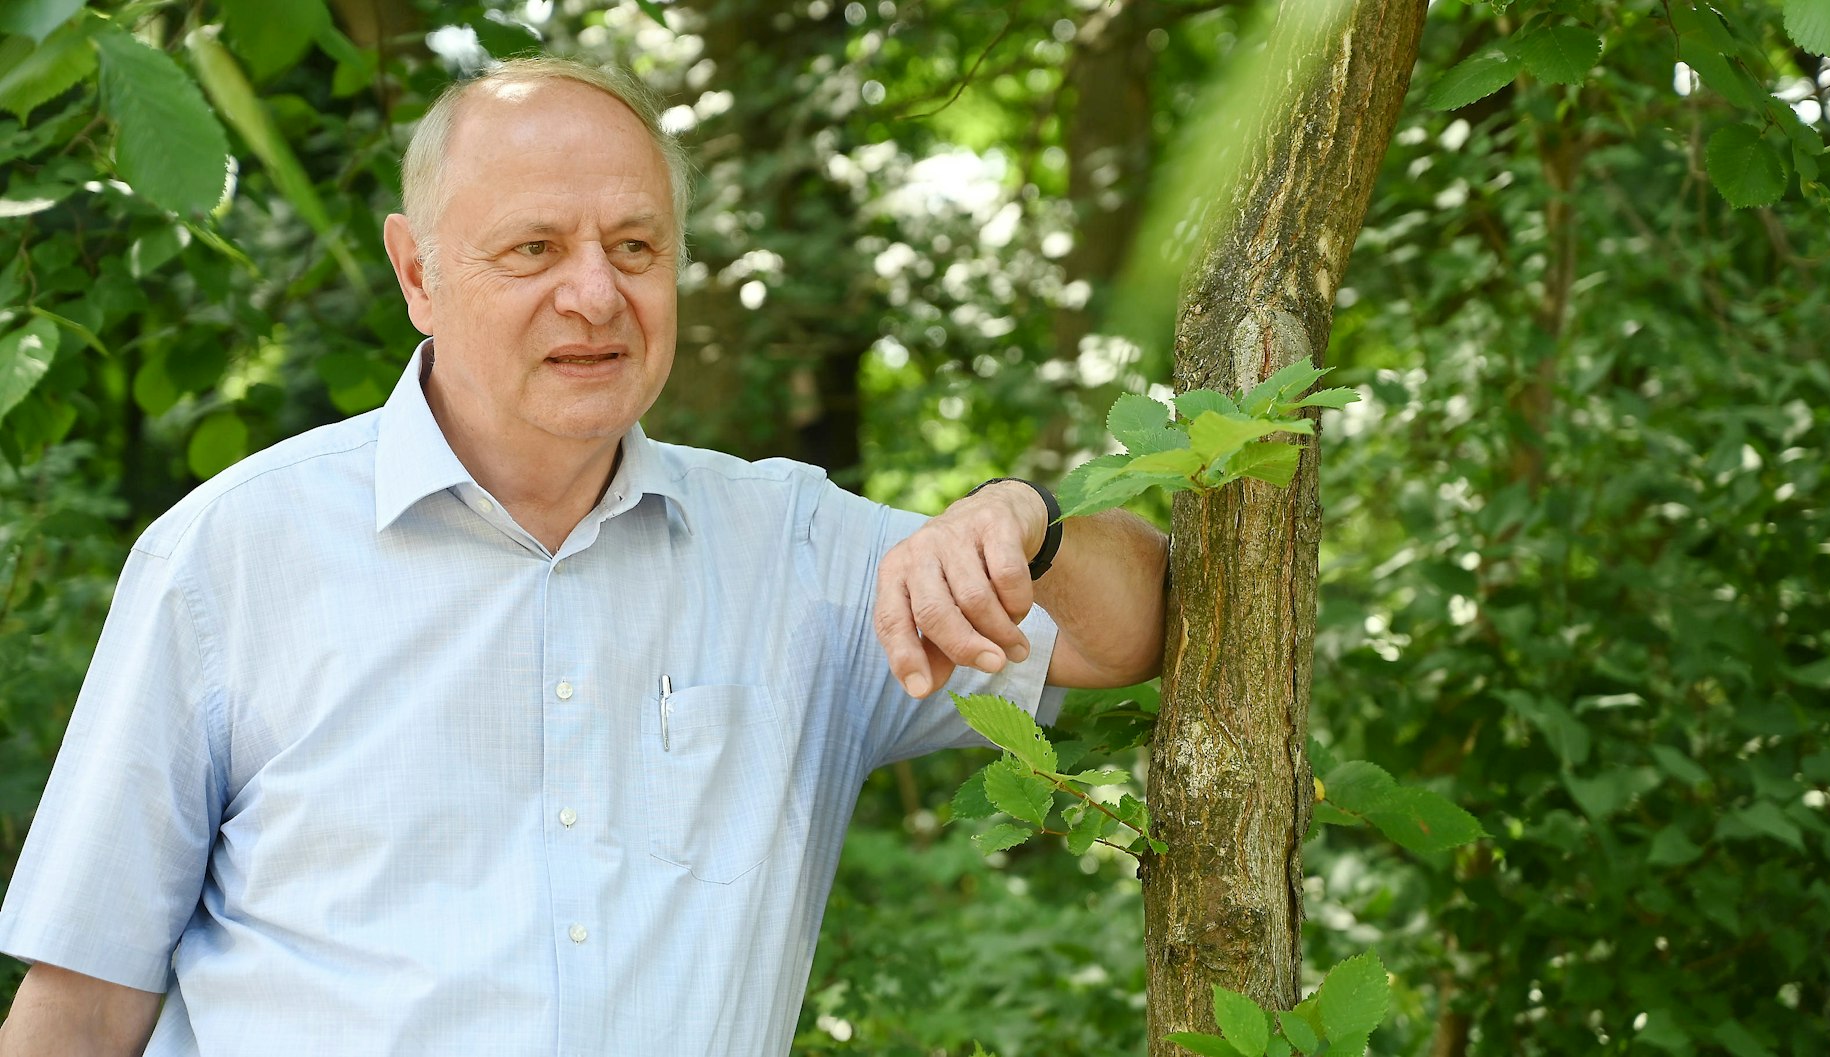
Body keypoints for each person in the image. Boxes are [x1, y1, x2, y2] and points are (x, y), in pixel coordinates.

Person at [0, 57, 1167, 1056]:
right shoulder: (231, 554)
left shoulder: (798, 555)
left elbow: (1135, 629)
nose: (596, 293)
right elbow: (83, 1004)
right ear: (419, 273)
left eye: (634, 244)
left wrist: (1030, 518)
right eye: (534, 247)